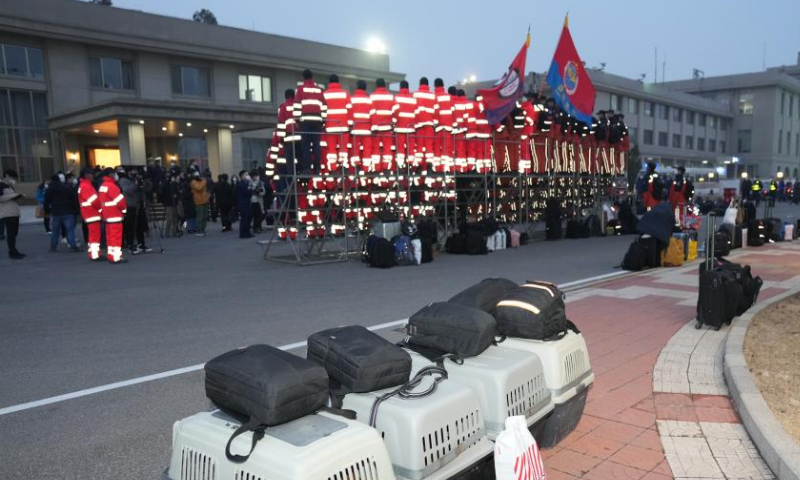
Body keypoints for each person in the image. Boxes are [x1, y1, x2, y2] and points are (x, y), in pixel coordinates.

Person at [294, 69, 325, 173]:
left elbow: (297, 105)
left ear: (303, 77)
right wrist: (323, 120)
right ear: (312, 77)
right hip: (317, 121)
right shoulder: (319, 90)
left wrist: (297, 120)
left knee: (306, 146)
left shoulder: (301, 89)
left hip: (305, 121)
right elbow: (324, 106)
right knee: (316, 145)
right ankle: (317, 168)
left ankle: (307, 168)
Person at [44, 173, 80, 253]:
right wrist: (75, 209)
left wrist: (47, 211)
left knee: (55, 231)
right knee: (70, 230)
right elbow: (73, 198)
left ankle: (53, 247)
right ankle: (73, 246)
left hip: (56, 212)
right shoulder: (66, 187)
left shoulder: (50, 189)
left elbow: (46, 201)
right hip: (67, 211)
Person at [98, 168, 127, 263]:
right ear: (110, 174)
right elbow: (120, 201)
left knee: (110, 237)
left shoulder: (103, 186)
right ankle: (116, 257)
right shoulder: (112, 186)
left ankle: (111, 255)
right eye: (114, 173)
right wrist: (124, 210)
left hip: (107, 215)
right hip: (115, 215)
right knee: (116, 237)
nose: (116, 175)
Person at [78, 168, 103, 261]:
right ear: (86, 175)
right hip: (92, 213)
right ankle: (95, 255)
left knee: (93, 235)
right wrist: (101, 209)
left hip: (89, 214)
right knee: (94, 235)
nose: (93, 176)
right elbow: (94, 201)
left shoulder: (84, 185)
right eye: (91, 174)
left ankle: (95, 254)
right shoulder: (86, 186)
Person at [0, 169, 25, 259]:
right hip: (7, 213)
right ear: (6, 176)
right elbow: (1, 198)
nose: (13, 180)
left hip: (14, 212)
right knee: (11, 234)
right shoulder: (1, 185)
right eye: (12, 177)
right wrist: (14, 196)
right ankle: (12, 252)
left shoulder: (9, 186)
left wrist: (18, 196)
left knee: (14, 234)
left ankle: (13, 251)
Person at [190, 171, 210, 236]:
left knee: (204, 216)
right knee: (200, 217)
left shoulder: (201, 181)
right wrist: (203, 182)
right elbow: (199, 188)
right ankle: (198, 230)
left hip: (205, 201)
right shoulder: (193, 182)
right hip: (199, 201)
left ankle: (203, 229)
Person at [161, 173, 181, 237]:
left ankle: (174, 232)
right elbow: (162, 193)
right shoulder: (165, 184)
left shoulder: (174, 184)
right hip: (169, 204)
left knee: (175, 218)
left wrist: (177, 196)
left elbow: (178, 193)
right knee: (169, 218)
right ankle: (167, 233)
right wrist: (164, 202)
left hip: (174, 203)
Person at [236, 170, 254, 238]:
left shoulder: (246, 183)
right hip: (243, 203)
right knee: (244, 219)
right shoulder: (241, 184)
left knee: (248, 218)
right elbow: (247, 192)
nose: (248, 176)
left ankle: (247, 232)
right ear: (242, 176)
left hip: (247, 203)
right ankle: (243, 233)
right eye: (246, 175)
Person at [249, 169, 266, 233]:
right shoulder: (249, 182)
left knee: (259, 215)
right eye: (253, 176)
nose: (255, 177)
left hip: (259, 201)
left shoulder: (260, 182)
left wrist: (259, 193)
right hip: (252, 201)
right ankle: (254, 228)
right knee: (254, 215)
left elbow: (263, 192)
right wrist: (253, 191)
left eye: (256, 176)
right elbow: (249, 191)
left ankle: (258, 226)